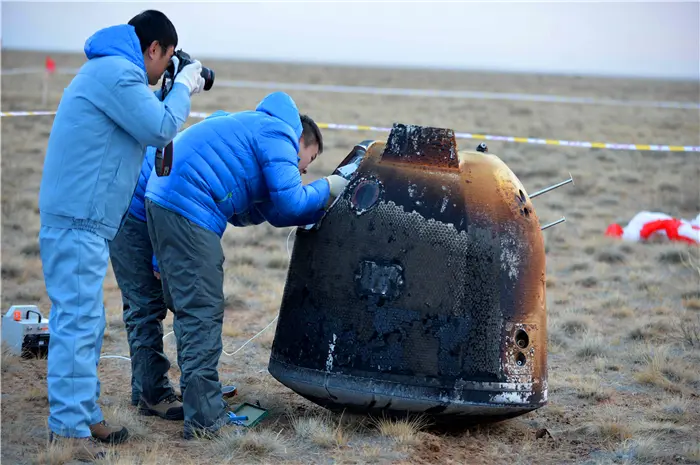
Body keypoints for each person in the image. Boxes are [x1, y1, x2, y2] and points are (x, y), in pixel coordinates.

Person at [37, 9, 205, 460]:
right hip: (77, 219)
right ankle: (69, 429)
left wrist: (172, 82)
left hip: (82, 218)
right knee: (77, 321)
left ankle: (84, 414)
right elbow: (162, 127)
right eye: (166, 59)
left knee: (87, 321)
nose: (162, 70)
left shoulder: (110, 71)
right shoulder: (118, 74)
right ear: (154, 49)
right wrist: (186, 83)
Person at [144, 91, 349, 439]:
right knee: (202, 314)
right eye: (307, 160)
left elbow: (274, 209)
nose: (303, 169)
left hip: (166, 201)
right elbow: (290, 199)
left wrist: (315, 208)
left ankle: (196, 401)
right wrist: (329, 186)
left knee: (192, 312)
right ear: (302, 141)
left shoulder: (255, 128)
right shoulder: (279, 134)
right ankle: (206, 420)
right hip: (189, 209)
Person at [108, 146, 183, 419]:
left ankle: (143, 388)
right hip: (133, 217)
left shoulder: (185, 146)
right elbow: (160, 206)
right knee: (146, 305)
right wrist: (157, 261)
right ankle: (155, 394)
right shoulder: (184, 156)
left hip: (126, 209)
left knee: (140, 305)